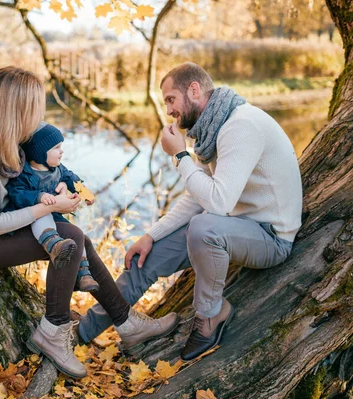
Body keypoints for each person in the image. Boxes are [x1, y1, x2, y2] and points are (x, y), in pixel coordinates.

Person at [0, 66, 179, 379]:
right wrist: (46, 209)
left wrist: (61, 189)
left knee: (79, 238)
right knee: (72, 240)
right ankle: (55, 328)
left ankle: (125, 322)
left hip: (2, 224)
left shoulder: (2, 132)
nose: (36, 120)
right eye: (32, 112)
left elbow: (42, 170)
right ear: (15, 112)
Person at [77, 62, 302, 361]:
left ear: (194, 90)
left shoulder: (241, 125)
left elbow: (217, 203)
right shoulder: (213, 129)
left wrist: (181, 156)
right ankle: (79, 333)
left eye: (171, 99)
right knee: (145, 257)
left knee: (203, 227)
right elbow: (198, 198)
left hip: (270, 238)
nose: (168, 110)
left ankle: (211, 314)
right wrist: (150, 235)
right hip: (231, 227)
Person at [5, 122, 99, 293]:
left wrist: (84, 192)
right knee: (43, 217)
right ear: (40, 153)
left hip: (55, 215)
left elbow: (72, 177)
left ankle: (84, 273)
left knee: (76, 233)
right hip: (34, 217)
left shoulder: (57, 169)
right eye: (56, 148)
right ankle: (53, 245)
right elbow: (16, 193)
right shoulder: (25, 174)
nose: (61, 151)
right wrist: (38, 196)